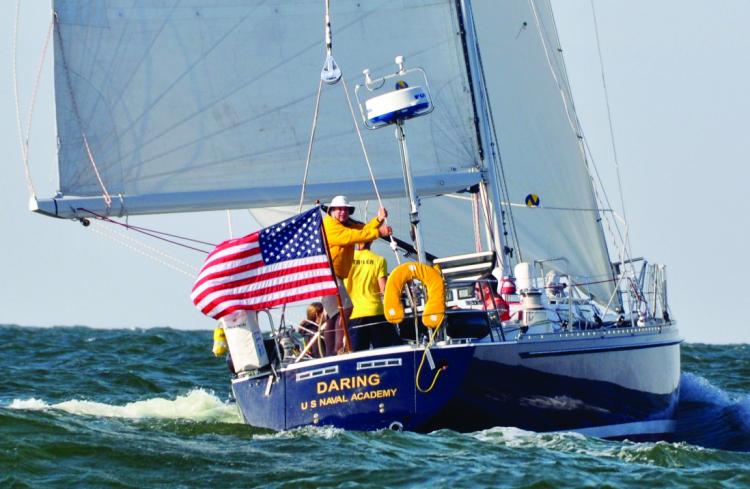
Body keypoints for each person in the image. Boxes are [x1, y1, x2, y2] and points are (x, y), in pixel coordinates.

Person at [322, 195, 392, 355]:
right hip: (329, 274)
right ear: (331, 210)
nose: (343, 212)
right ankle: (338, 348)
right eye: (339, 209)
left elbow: (361, 230)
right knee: (345, 309)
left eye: (346, 209)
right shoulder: (329, 225)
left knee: (333, 316)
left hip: (333, 275)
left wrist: (378, 219)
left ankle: (331, 352)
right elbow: (352, 236)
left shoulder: (345, 225)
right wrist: (378, 233)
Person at [345, 240, 400, 351]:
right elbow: (384, 289)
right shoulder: (379, 260)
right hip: (376, 311)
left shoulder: (346, 260)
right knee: (385, 352)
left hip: (354, 313)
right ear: (371, 241)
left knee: (357, 356)